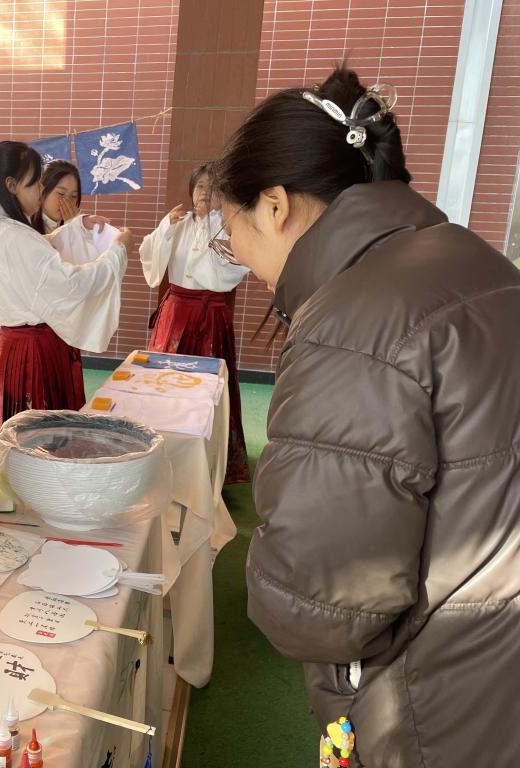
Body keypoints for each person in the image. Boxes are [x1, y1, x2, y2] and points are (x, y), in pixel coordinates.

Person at [213, 65, 520, 766]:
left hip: (440, 703)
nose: (240, 257)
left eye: (231, 231)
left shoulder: (352, 321)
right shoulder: (479, 262)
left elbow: (318, 602)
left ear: (275, 205)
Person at [0, 140, 132, 456]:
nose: (39, 191)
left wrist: (76, 227)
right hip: (34, 352)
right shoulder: (15, 235)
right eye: (36, 184)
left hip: (14, 346)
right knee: (42, 444)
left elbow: (42, 248)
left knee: (22, 441)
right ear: (12, 185)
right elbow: (72, 285)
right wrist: (117, 252)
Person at [139, 163, 251, 483]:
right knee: (165, 383)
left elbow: (232, 268)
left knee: (206, 390)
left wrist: (209, 223)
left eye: (213, 187)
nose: (205, 192)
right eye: (200, 185)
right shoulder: (179, 222)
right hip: (176, 314)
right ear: (191, 190)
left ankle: (207, 462)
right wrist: (165, 228)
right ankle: (161, 451)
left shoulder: (228, 228)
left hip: (210, 315)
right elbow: (151, 255)